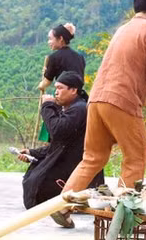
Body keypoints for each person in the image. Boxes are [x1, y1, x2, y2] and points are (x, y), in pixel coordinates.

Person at [58, 0, 146, 226]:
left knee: (93, 158)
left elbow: (143, 73)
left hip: (97, 99)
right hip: (122, 99)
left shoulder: (123, 29)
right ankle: (122, 220)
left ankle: (63, 206)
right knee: (136, 159)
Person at [18, 72, 103, 211]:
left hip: (73, 164)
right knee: (34, 178)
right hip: (68, 159)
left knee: (37, 185)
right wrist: (32, 153)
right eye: (56, 88)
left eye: (60, 88)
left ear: (73, 90)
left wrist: (48, 106)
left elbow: (57, 131)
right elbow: (60, 144)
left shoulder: (79, 109)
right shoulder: (74, 108)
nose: (56, 92)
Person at [36, 23, 85, 142]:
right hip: (80, 98)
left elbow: (46, 83)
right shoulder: (79, 57)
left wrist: (40, 85)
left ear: (60, 39)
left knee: (55, 134)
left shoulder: (54, 57)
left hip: (63, 97)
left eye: (50, 39)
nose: (49, 42)